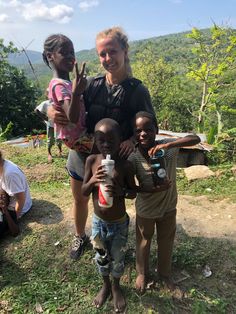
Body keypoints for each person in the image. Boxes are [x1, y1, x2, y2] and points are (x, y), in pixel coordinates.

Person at [47, 27, 156, 260]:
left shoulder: (137, 90)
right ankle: (80, 235)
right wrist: (48, 112)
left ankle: (116, 242)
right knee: (80, 198)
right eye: (102, 54)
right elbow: (63, 98)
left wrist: (132, 139)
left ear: (124, 51)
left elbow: (149, 124)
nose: (108, 59)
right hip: (82, 153)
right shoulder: (93, 84)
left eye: (112, 52)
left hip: (115, 158)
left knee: (112, 199)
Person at [128, 111, 200, 293]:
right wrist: (150, 189)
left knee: (166, 241)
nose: (143, 134)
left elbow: (195, 138)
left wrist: (168, 144)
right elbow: (130, 189)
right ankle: (142, 273)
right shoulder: (133, 157)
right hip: (146, 208)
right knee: (144, 241)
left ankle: (165, 274)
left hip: (169, 207)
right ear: (134, 133)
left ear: (156, 130)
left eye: (148, 130)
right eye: (138, 131)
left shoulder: (167, 150)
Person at [82, 118, 137, 312]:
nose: (106, 145)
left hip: (119, 223)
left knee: (118, 257)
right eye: (101, 140)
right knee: (101, 256)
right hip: (98, 222)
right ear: (95, 141)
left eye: (111, 140)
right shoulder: (91, 161)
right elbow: (83, 192)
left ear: (120, 139)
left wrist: (121, 191)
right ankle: (105, 284)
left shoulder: (125, 166)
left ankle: (116, 285)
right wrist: (92, 181)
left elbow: (133, 192)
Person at [42, 34, 93, 153]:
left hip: (81, 134)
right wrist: (76, 93)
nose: (70, 56)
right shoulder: (59, 85)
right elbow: (72, 118)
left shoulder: (67, 83)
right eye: (64, 53)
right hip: (76, 139)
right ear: (50, 56)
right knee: (107, 148)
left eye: (72, 52)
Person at [0, 150, 32, 238]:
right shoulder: (3, 164)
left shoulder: (10, 174)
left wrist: (15, 218)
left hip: (17, 207)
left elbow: (21, 199)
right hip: (8, 201)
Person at [35, 93, 62, 163]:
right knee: (50, 139)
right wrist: (45, 118)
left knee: (59, 138)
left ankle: (60, 150)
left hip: (58, 124)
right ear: (47, 95)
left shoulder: (59, 102)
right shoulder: (46, 103)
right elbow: (36, 110)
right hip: (50, 125)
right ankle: (49, 153)